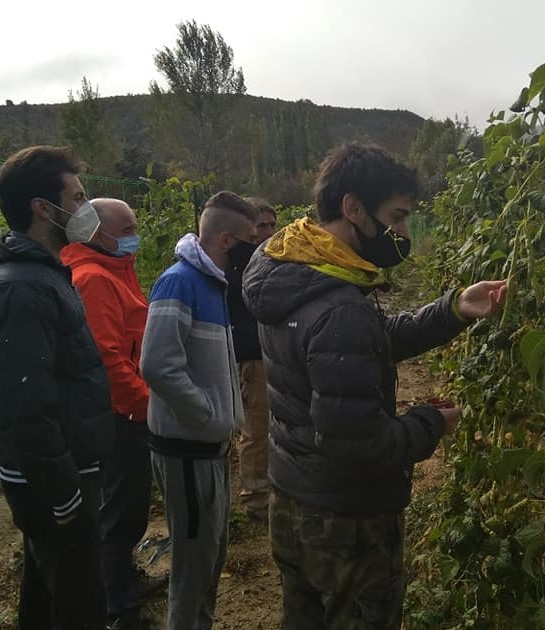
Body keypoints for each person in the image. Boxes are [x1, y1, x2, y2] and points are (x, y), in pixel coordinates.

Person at [242, 142, 507, 629]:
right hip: (347, 523)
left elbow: (366, 342)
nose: (403, 232)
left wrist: (451, 309)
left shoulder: (290, 271)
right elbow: (358, 445)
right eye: (398, 217)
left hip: (294, 498)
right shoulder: (338, 305)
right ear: (354, 208)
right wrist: (430, 422)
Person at [0, 146, 114, 630]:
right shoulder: (25, 289)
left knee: (47, 598)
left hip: (61, 474)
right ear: (43, 208)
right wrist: (65, 495)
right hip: (53, 483)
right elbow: (26, 407)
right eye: (78, 196)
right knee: (78, 604)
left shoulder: (47, 276)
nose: (87, 207)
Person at [140, 191, 256, 630]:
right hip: (187, 450)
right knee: (192, 567)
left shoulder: (214, 284)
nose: (255, 249)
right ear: (227, 240)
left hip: (207, 449)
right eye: (249, 240)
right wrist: (209, 415)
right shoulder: (179, 282)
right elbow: (156, 364)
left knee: (210, 554)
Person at [60, 198, 166, 629]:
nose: (133, 235)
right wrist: (144, 406)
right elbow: (108, 359)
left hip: (126, 410)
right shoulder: (94, 279)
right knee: (120, 512)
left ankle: (122, 581)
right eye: (127, 228)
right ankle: (119, 609)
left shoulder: (115, 270)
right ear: (98, 234)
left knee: (127, 507)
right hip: (119, 415)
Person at [225, 197, 277, 520]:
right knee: (256, 425)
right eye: (262, 226)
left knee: (267, 423)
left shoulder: (266, 258)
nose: (270, 231)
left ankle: (265, 486)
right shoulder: (241, 263)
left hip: (267, 351)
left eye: (273, 223)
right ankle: (255, 497)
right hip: (252, 355)